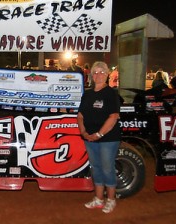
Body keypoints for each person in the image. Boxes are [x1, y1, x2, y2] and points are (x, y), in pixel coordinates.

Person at [77, 61, 121, 214]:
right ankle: (98, 198)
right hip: (89, 138)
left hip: (108, 138)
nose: (98, 75)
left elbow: (113, 116)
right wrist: (83, 132)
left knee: (107, 168)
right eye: (95, 72)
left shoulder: (111, 93)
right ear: (91, 75)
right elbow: (80, 115)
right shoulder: (88, 94)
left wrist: (99, 134)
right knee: (96, 168)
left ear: (107, 74)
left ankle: (111, 200)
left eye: (102, 72)